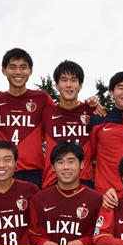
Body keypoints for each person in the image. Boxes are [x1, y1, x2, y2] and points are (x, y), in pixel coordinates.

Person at [0, 48, 53, 188]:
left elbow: (61, 115)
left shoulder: (42, 99)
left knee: (31, 210)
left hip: (31, 172)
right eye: (12, 67)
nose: (18, 72)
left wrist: (90, 105)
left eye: (23, 67)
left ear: (30, 71)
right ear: (4, 70)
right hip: (0, 169)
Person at [28, 141, 103, 245]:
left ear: (82, 164)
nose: (66, 167)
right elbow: (30, 234)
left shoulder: (97, 200)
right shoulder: (39, 199)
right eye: (60, 162)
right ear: (53, 167)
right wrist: (42, 243)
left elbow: (103, 235)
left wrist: (84, 242)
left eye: (71, 161)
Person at [42, 60, 95, 188]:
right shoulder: (47, 112)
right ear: (57, 85)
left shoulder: (92, 112)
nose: (69, 85)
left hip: (84, 179)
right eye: (64, 80)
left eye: (73, 80)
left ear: (80, 85)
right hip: (52, 181)